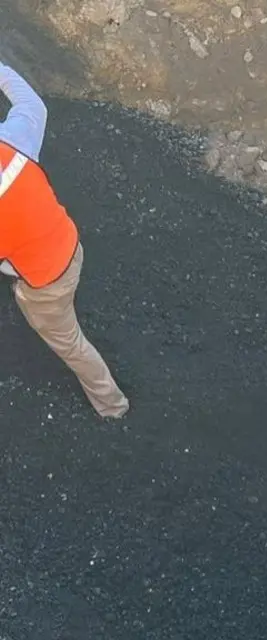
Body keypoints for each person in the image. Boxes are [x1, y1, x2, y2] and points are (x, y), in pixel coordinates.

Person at [0, 62, 129, 418]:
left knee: (70, 344)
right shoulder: (12, 140)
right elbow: (32, 104)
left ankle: (112, 406)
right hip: (69, 242)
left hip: (47, 284)